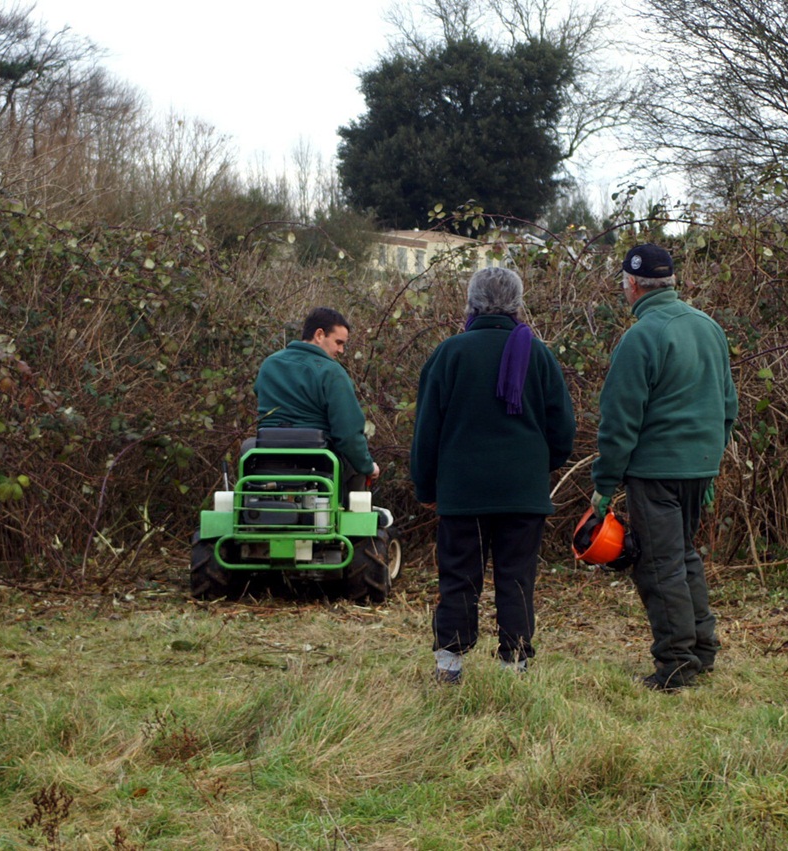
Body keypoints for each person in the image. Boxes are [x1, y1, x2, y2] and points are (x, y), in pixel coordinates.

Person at [411, 268, 576, 683]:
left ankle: (449, 667)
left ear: (471, 302)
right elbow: (563, 431)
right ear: (518, 304)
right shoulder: (538, 354)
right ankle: (513, 667)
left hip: (462, 492)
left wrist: (426, 486)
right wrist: (536, 468)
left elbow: (427, 430)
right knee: (517, 580)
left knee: (458, 577)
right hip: (523, 493)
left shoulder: (450, 353)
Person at [591, 244, 738, 692]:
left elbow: (619, 421)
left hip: (655, 472)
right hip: (698, 469)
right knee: (683, 557)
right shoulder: (709, 327)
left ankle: (676, 665)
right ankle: (702, 650)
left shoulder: (641, 337)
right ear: (671, 282)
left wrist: (604, 484)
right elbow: (727, 407)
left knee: (659, 566)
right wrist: (710, 466)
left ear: (632, 285)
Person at [255, 307, 379, 485]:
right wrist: (368, 467)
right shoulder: (331, 372)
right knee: (356, 469)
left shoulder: (269, 364)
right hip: (317, 462)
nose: (341, 350)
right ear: (319, 335)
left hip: (267, 457)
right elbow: (348, 435)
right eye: (338, 342)